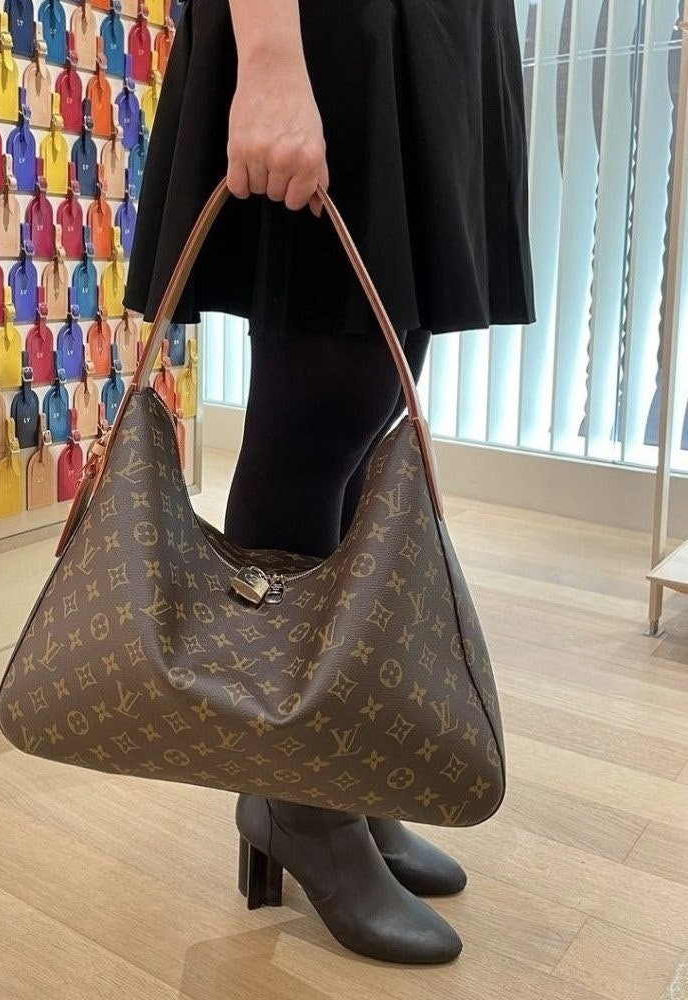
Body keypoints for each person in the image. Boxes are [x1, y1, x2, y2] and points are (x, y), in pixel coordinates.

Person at [122, 0, 535, 966]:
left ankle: (332, 760)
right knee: (323, 412)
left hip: (434, 38)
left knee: (369, 413)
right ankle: (297, 799)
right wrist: (270, 58)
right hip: (338, 33)